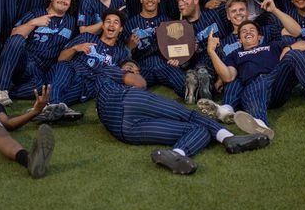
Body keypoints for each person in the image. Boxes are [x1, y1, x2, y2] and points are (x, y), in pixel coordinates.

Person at [93, 59, 270, 175]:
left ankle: (177, 153)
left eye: (133, 67)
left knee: (199, 129)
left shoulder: (101, 91)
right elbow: (140, 83)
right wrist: (136, 74)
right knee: (188, 114)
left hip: (124, 130)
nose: (130, 69)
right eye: (128, 68)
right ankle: (229, 138)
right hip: (128, 100)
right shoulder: (107, 71)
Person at [0, 0, 76, 106]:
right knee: (17, 39)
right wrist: (34, 22)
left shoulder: (71, 22)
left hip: (40, 71)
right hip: (23, 62)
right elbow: (14, 33)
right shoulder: (36, 13)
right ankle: (2, 88)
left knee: (41, 87)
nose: (63, 0)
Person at [39, 9, 131, 121]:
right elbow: (61, 59)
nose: (111, 25)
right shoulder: (87, 37)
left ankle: (48, 108)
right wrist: (75, 48)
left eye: (116, 22)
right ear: (103, 25)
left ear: (120, 28)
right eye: (108, 21)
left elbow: (124, 74)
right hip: (71, 70)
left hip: (87, 84)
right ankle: (55, 106)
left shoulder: (121, 53)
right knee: (62, 68)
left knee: (66, 94)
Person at [125, 0, 184, 95]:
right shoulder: (130, 24)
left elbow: (177, 47)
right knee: (130, 88)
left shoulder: (167, 22)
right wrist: (129, 47)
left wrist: (177, 59)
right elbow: (123, 53)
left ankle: (197, 96)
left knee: (183, 82)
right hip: (142, 66)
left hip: (164, 64)